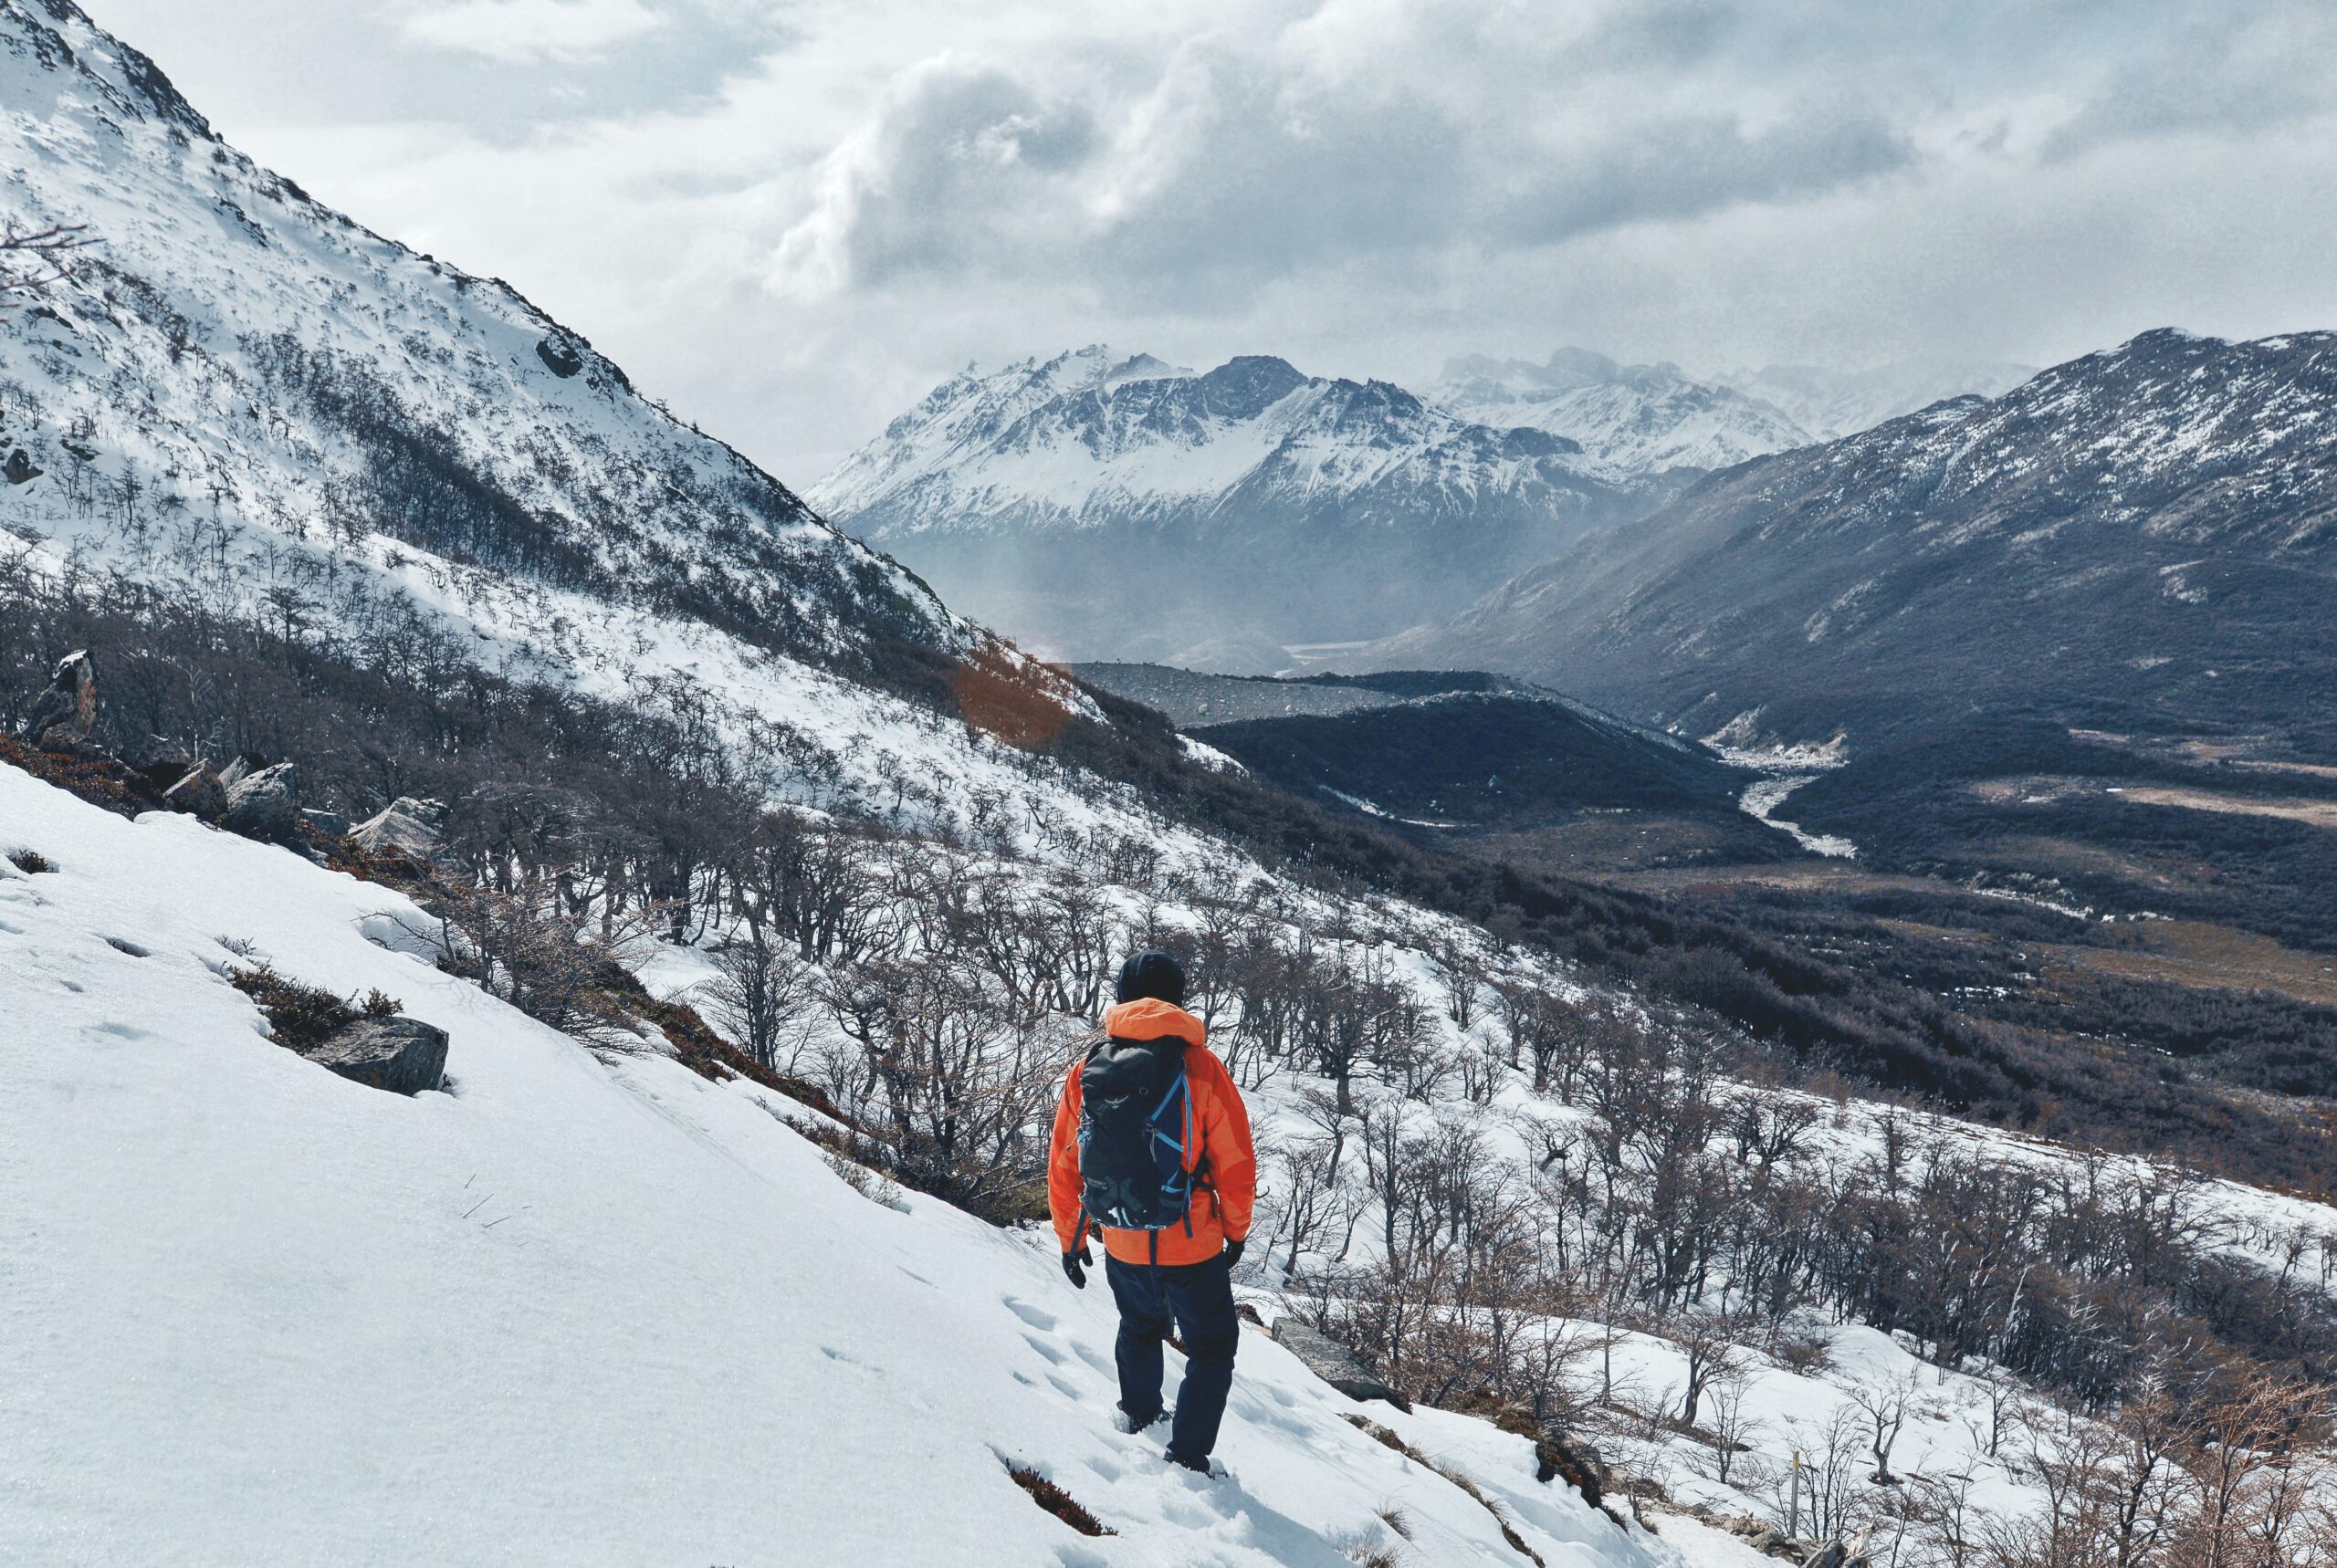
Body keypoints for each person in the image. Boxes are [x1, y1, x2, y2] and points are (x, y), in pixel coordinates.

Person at [1048, 950, 1255, 1474]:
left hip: (1122, 1235)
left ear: (1120, 997)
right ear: (1178, 999)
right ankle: (1187, 1455)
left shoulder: (1087, 1068)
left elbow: (1065, 1163)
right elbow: (1234, 1161)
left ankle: (1140, 1414)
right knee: (1211, 1348)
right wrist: (1235, 1232)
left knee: (1139, 1324)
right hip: (1193, 1242)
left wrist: (1071, 1241)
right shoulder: (1202, 1069)